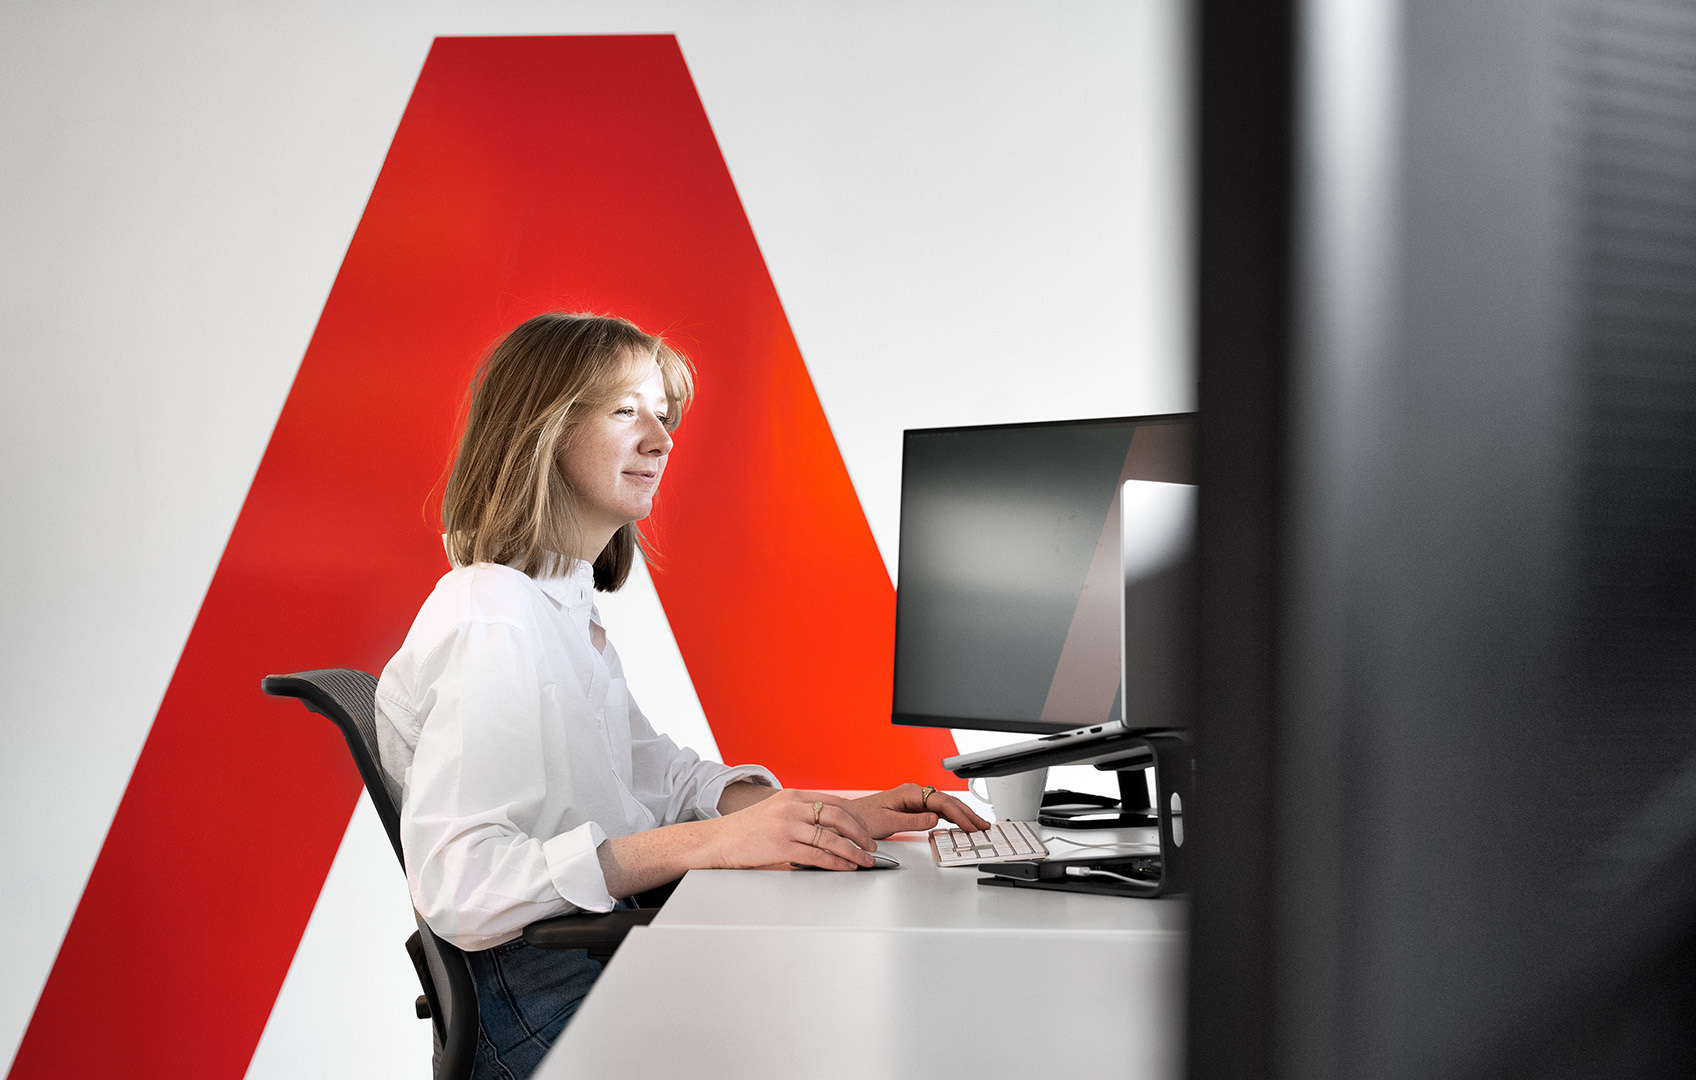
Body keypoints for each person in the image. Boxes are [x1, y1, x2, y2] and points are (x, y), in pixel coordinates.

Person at [374, 312, 987, 1080]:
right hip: (543, 1009)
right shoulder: (493, 615)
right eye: (627, 410)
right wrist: (715, 844)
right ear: (544, 429)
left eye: (664, 416)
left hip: (589, 971)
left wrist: (821, 815)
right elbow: (462, 886)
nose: (662, 440)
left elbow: (658, 778)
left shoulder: (557, 607)